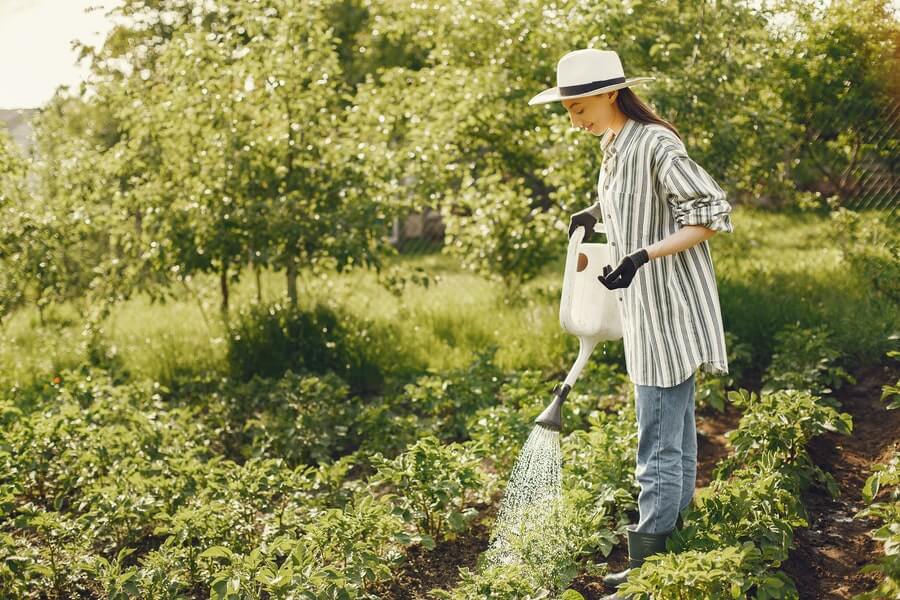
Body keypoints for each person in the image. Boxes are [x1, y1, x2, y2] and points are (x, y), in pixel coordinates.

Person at [528, 49, 734, 598]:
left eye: (580, 106)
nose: (575, 118)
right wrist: (593, 214)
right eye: (568, 109)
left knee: (658, 441)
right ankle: (675, 546)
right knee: (675, 432)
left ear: (611, 94)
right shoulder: (612, 145)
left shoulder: (656, 143)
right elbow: (634, 202)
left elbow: (712, 213)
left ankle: (650, 563)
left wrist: (642, 256)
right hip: (643, 310)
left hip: (669, 306)